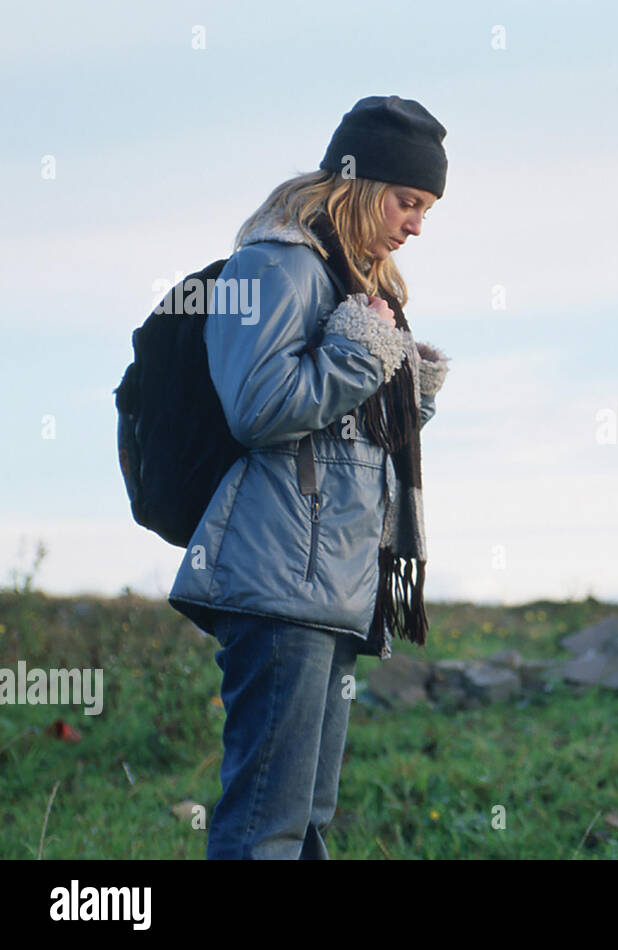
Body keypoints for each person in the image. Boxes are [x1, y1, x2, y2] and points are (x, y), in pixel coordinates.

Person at [167, 95, 451, 859]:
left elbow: (334, 438)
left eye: (426, 207)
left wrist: (405, 397)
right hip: (278, 579)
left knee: (305, 820)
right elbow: (259, 410)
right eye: (408, 201)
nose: (418, 223)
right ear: (360, 183)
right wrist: (363, 358)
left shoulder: (357, 284)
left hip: (331, 584)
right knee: (268, 822)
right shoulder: (275, 265)